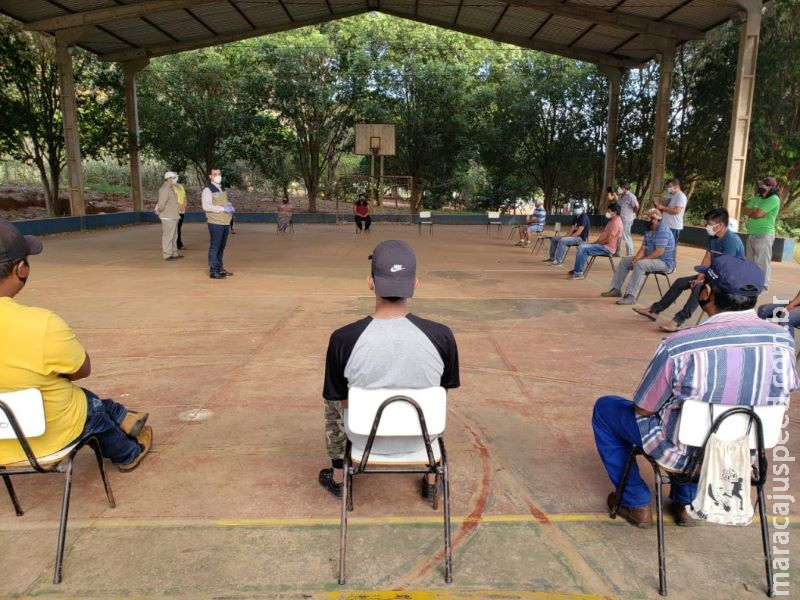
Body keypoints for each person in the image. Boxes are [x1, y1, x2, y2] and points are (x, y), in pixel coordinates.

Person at [592, 255, 798, 528]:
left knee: (606, 409)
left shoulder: (680, 346)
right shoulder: (783, 341)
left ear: (708, 292)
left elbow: (644, 408)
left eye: (703, 280)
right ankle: (686, 503)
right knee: (712, 419)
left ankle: (635, 501)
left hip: (681, 453)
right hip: (742, 450)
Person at [0, 222, 153, 471]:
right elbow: (82, 370)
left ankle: (122, 414)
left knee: (64, 393)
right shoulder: (42, 323)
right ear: (21, 269)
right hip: (48, 439)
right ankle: (128, 452)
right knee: (88, 407)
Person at [319, 240, 460, 499]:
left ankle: (339, 476)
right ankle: (431, 478)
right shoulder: (442, 336)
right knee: (435, 395)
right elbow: (444, 392)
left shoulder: (343, 338)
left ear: (370, 282)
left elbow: (341, 399)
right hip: (422, 439)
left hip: (363, 438)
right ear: (414, 283)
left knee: (332, 400)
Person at [633, 208, 744, 332]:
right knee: (680, 282)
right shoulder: (713, 237)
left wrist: (702, 283)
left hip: (729, 280)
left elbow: (725, 269)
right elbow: (707, 259)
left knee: (699, 288)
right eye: (707, 223)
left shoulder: (731, 241)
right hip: (714, 275)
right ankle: (654, 310)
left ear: (721, 225)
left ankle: (678, 321)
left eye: (710, 224)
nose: (707, 226)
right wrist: (699, 278)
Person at [601, 207, 675, 305]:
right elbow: (643, 248)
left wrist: (640, 261)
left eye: (650, 218)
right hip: (651, 259)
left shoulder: (663, 231)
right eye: (647, 218)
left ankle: (631, 296)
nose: (647, 220)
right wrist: (635, 259)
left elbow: (659, 252)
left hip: (664, 262)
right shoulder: (649, 230)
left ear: (656, 219)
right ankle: (616, 289)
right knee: (625, 261)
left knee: (640, 264)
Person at [741, 176, 780, 289]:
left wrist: (754, 212)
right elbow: (745, 210)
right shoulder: (757, 198)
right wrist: (756, 211)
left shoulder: (774, 199)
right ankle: (750, 283)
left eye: (763, 185)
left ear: (771, 188)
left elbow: (758, 214)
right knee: (750, 261)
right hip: (752, 233)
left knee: (762, 262)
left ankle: (762, 285)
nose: (760, 186)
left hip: (764, 234)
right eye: (760, 184)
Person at [568, 202, 623, 280]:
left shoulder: (616, 223)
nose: (607, 213)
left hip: (607, 248)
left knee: (583, 248)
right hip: (603, 245)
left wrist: (595, 243)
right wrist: (595, 243)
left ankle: (578, 273)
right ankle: (577, 269)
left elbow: (608, 241)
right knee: (582, 246)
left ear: (615, 212)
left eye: (609, 211)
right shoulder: (612, 220)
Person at [201, 167, 235, 280]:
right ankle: (213, 270)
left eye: (219, 174)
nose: (217, 176)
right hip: (215, 222)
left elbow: (223, 202)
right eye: (214, 174)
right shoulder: (207, 190)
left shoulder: (221, 188)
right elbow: (206, 206)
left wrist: (229, 204)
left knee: (221, 246)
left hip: (225, 222)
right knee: (215, 246)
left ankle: (220, 268)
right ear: (210, 177)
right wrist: (223, 209)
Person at [155, 171, 182, 261]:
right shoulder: (165, 189)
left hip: (174, 215)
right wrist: (159, 210)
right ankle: (167, 254)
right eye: (174, 177)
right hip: (168, 216)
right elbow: (161, 203)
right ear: (169, 179)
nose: (175, 179)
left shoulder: (171, 188)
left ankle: (174, 253)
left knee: (174, 236)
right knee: (168, 236)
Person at [654, 178, 687, 244]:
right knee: (662, 245)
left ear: (676, 186)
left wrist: (662, 207)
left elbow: (677, 211)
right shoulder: (670, 195)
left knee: (671, 247)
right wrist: (658, 206)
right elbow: (664, 206)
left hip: (673, 226)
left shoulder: (681, 196)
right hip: (665, 224)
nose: (668, 188)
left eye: (670, 187)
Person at [617, 180, 639, 256]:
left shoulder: (631, 196)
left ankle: (630, 253)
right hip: (620, 219)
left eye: (620, 187)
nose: (618, 188)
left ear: (624, 188)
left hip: (627, 219)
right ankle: (617, 251)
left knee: (626, 235)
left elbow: (637, 206)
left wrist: (634, 213)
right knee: (619, 235)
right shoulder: (621, 196)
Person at [173, 173, 188, 251]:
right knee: (175, 228)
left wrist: (184, 205)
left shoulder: (180, 186)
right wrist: (179, 205)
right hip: (175, 210)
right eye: (174, 176)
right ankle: (177, 244)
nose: (176, 177)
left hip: (182, 210)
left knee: (178, 227)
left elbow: (184, 196)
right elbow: (172, 198)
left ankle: (178, 244)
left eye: (177, 176)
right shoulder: (170, 186)